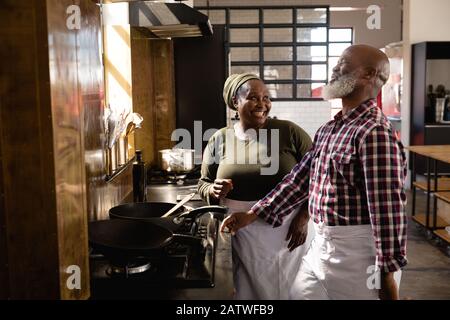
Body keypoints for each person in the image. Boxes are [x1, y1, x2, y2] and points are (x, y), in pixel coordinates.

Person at [221, 45, 407, 300]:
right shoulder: (330, 129)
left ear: (368, 74)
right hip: (321, 247)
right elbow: (299, 181)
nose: (334, 68)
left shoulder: (374, 133)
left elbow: (388, 211)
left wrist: (387, 276)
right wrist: (252, 215)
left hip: (359, 257)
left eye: (343, 63)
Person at [197, 73, 314, 300]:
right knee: (247, 293)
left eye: (266, 97)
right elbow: (203, 183)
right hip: (239, 230)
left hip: (288, 229)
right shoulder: (219, 139)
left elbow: (319, 176)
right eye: (253, 97)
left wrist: (304, 215)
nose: (262, 104)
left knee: (291, 290)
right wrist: (212, 191)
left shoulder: (289, 132)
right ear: (235, 102)